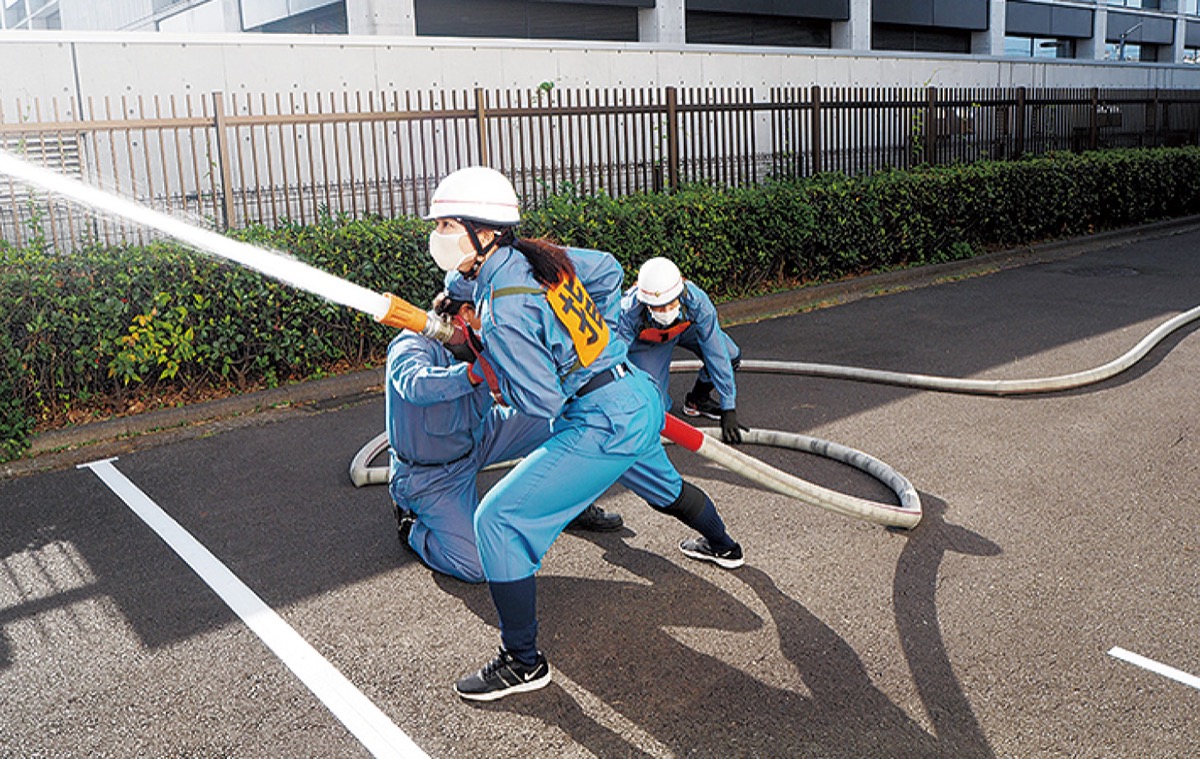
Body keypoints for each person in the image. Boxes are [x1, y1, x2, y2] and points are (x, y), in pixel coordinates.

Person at [426, 165, 745, 701]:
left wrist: (483, 363)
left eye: (447, 225)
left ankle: (523, 662)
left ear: (482, 232)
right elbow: (608, 271)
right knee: (666, 491)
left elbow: (540, 402)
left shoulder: (502, 312)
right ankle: (725, 547)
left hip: (598, 419)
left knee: (498, 521)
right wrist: (575, 339)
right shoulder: (534, 257)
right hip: (635, 396)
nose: (437, 236)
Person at [385, 296, 623, 584]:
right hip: (430, 473)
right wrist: (471, 375)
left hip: (481, 436)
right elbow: (415, 385)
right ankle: (411, 526)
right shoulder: (411, 344)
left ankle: (568, 503)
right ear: (461, 314)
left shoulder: (486, 335)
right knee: (478, 567)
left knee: (566, 413)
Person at [618, 256, 745, 444]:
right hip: (648, 345)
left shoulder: (697, 302)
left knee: (731, 355)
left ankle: (698, 400)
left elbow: (716, 351)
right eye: (659, 307)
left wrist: (729, 407)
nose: (667, 311)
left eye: (671, 303)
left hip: (683, 331)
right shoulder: (628, 312)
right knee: (654, 409)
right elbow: (616, 358)